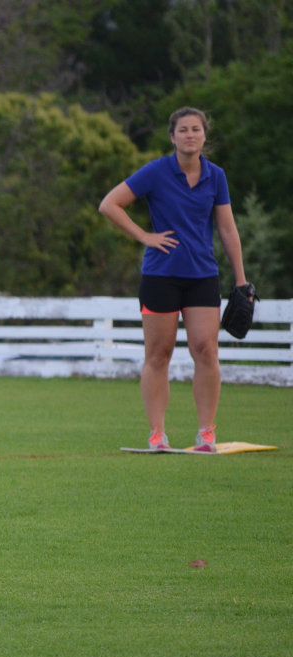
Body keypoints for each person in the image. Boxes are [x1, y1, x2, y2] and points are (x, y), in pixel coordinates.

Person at [98, 107, 248, 452]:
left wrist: (241, 279)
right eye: (183, 130)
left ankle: (206, 434)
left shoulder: (216, 176)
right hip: (160, 276)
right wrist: (144, 236)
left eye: (196, 129)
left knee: (206, 350)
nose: (190, 135)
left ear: (204, 136)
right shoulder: (156, 171)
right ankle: (157, 435)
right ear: (173, 137)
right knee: (159, 354)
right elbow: (110, 204)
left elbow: (226, 228)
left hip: (202, 275)